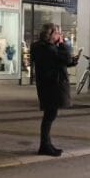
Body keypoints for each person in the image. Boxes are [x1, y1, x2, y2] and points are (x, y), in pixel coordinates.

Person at [30, 23, 78, 156]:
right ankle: (45, 145)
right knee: (49, 116)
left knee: (50, 115)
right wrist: (62, 44)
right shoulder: (47, 48)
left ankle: (47, 144)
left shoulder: (43, 47)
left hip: (49, 85)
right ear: (50, 35)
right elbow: (64, 57)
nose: (59, 35)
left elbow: (61, 61)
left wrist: (71, 62)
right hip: (51, 85)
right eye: (57, 33)